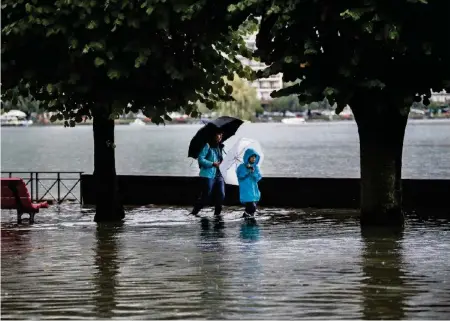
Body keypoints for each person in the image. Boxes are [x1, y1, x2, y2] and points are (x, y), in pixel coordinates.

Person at [191, 130, 226, 216]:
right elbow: (201, 159)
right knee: (205, 197)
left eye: (221, 134)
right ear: (214, 135)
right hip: (208, 175)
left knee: (221, 195)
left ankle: (217, 215)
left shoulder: (220, 147)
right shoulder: (207, 145)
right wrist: (212, 164)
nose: (220, 136)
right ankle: (194, 213)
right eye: (219, 134)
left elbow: (221, 160)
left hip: (219, 175)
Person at [236, 148, 262, 218]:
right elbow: (240, 176)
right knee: (252, 207)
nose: (254, 159)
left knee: (251, 210)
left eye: (254, 157)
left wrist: (253, 171)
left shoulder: (256, 167)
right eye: (252, 157)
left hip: (254, 191)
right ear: (248, 157)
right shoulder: (241, 167)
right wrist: (248, 170)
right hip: (246, 191)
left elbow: (258, 177)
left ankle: (247, 222)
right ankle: (245, 218)